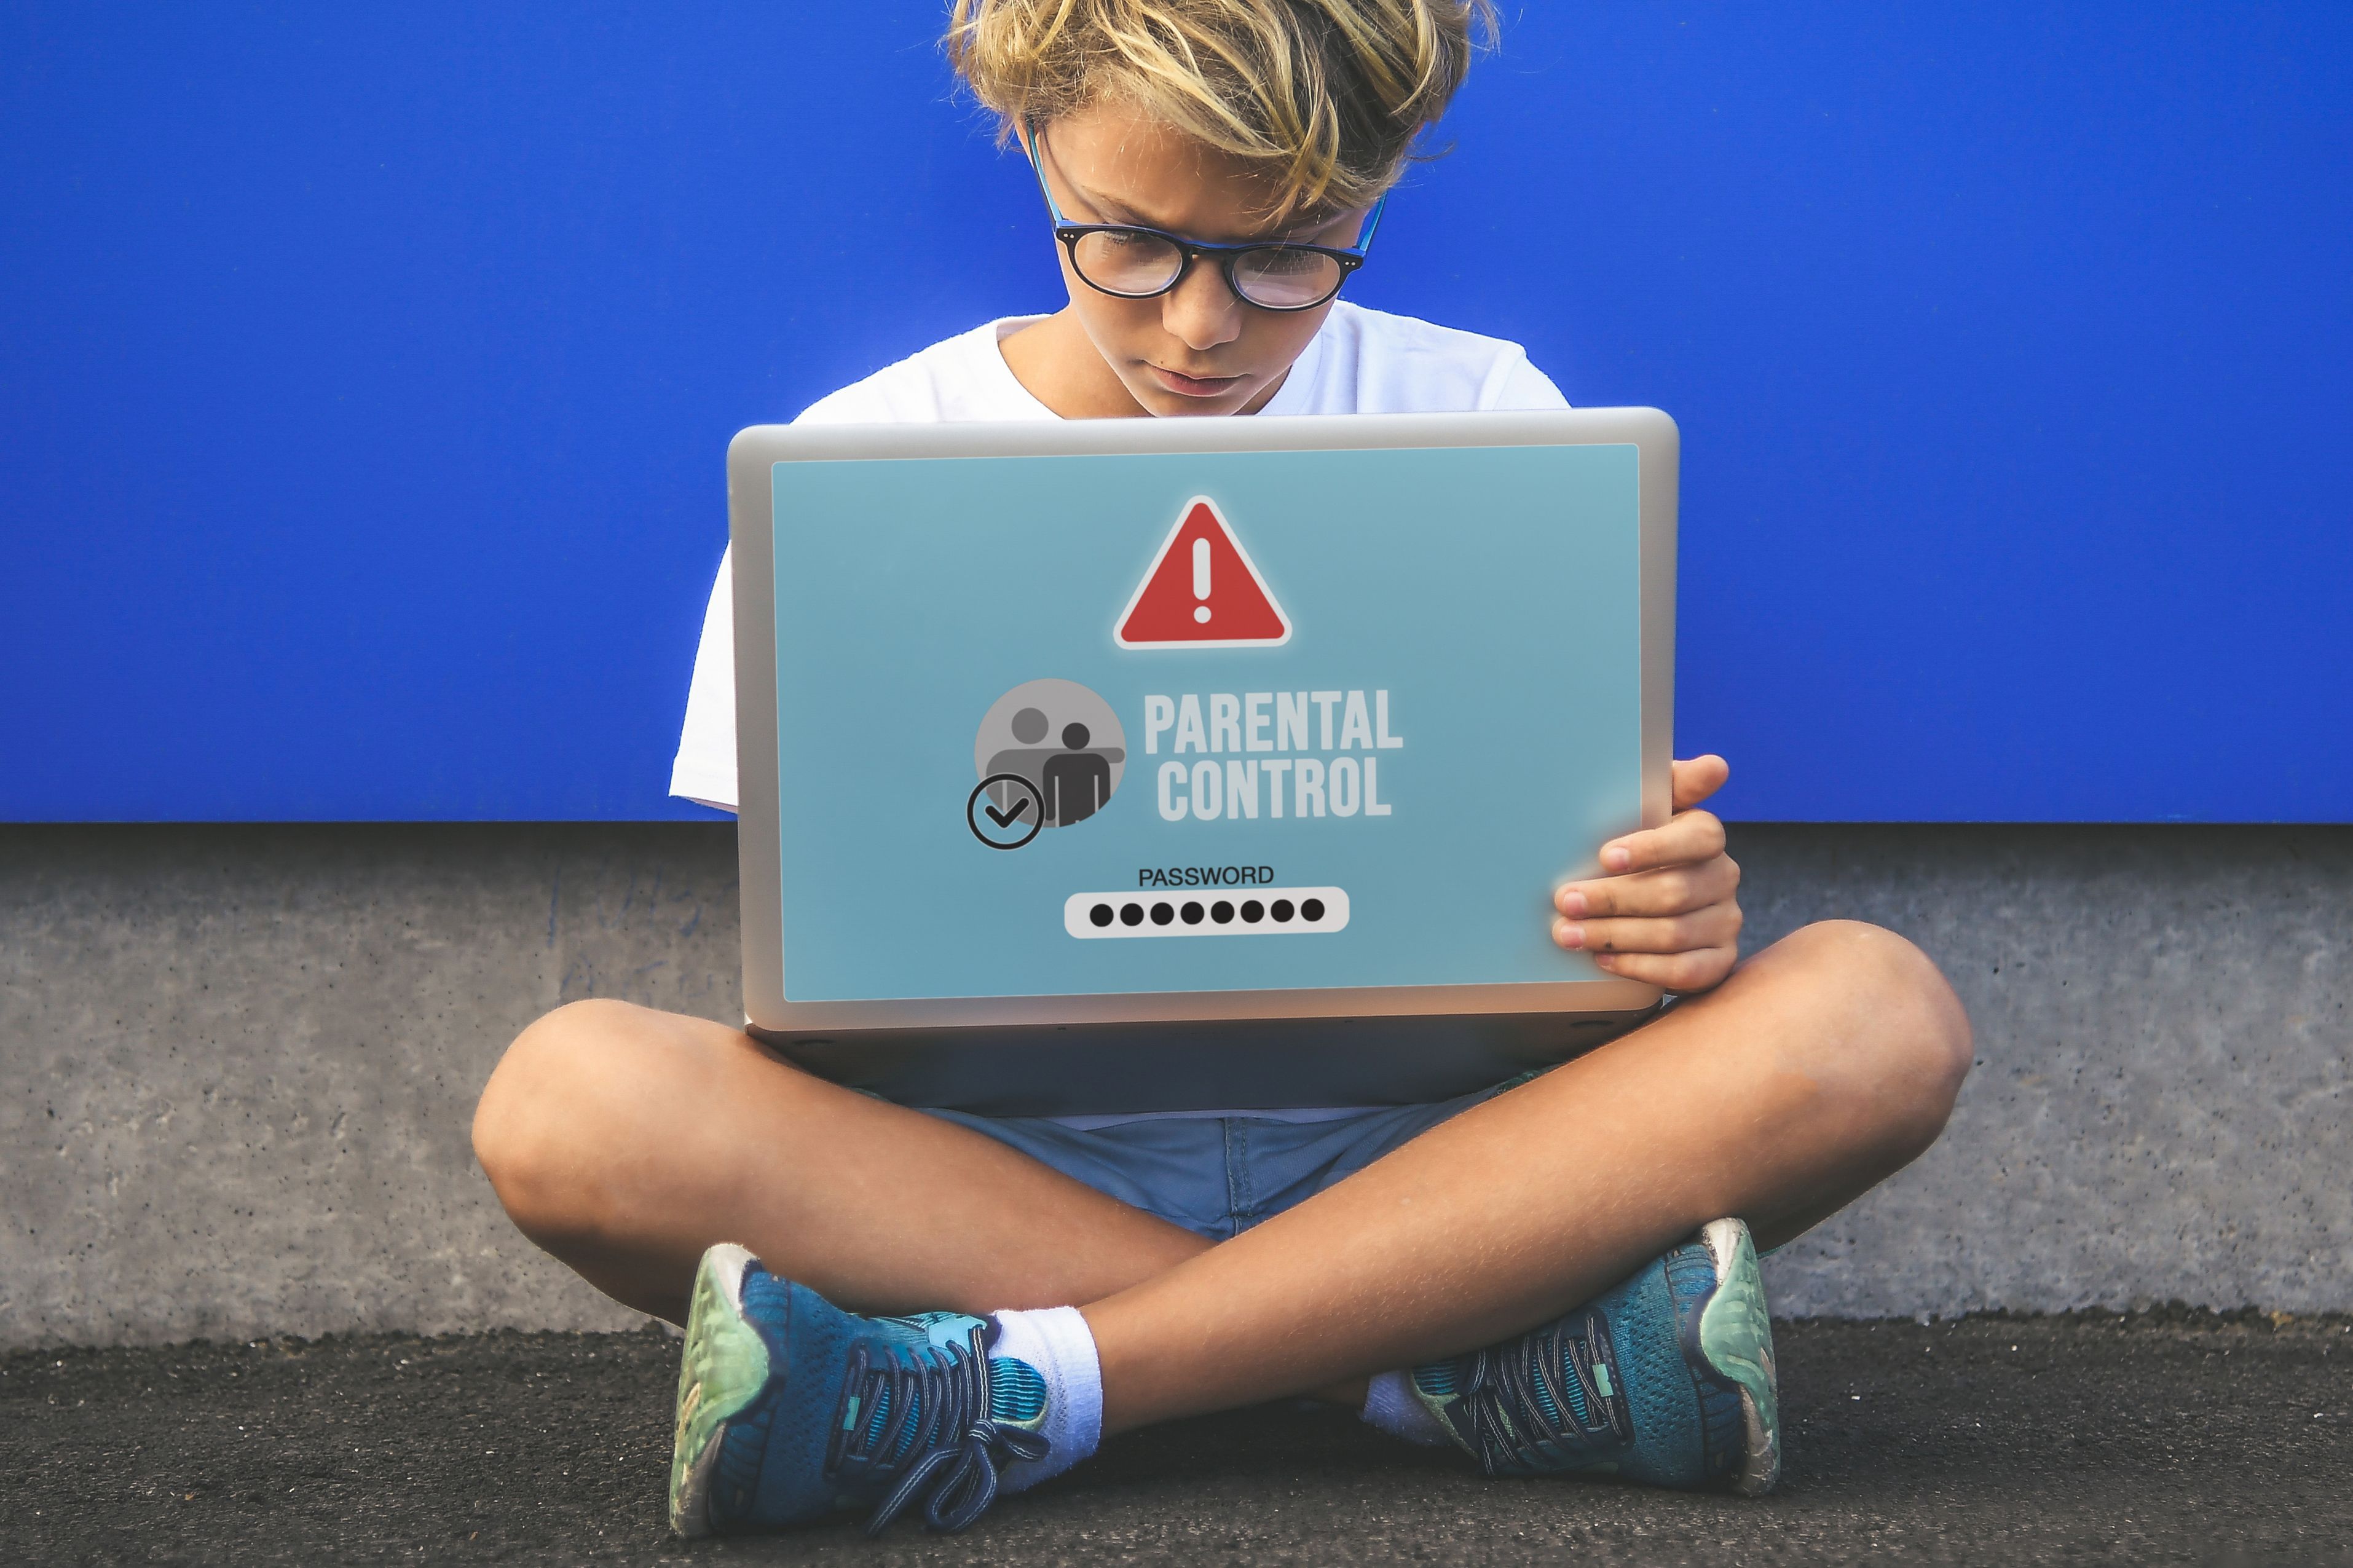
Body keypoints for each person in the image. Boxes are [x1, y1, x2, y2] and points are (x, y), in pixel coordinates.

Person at [472, 0, 1972, 1540]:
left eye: (1288, 256)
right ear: (1033, 136)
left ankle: (1012, 1389)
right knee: (567, 1101)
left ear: (1373, 195)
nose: (1203, 327)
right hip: (988, 1178)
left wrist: (1662, 907)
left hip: (1447, 1157)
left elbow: (1561, 849)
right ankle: (1429, 1381)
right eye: (1127, 244)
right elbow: (817, 959)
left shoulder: (1486, 421)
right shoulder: (858, 462)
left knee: (1873, 1016)